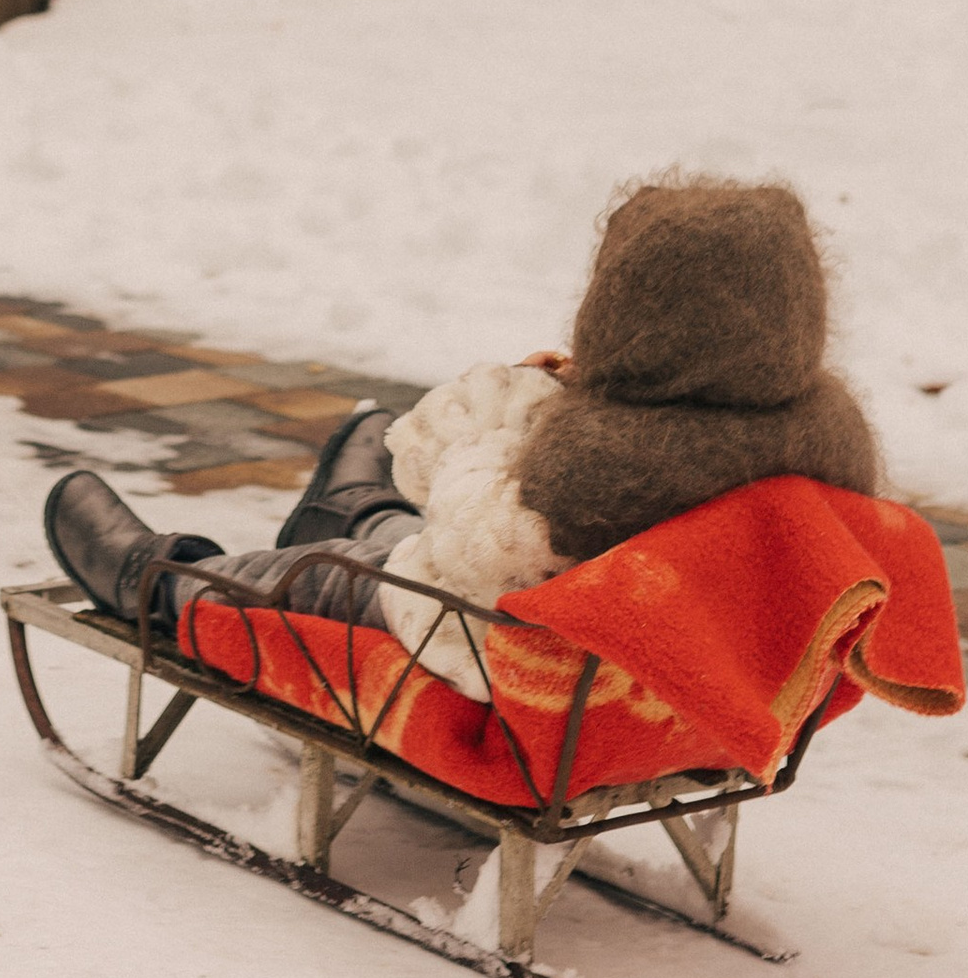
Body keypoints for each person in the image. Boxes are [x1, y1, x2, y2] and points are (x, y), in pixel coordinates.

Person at [44, 176, 883, 692]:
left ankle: (160, 581)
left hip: (499, 647)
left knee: (304, 580)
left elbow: (469, 529)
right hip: (667, 656)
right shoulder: (828, 436)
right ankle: (356, 510)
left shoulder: (597, 466)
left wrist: (503, 420)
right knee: (405, 543)